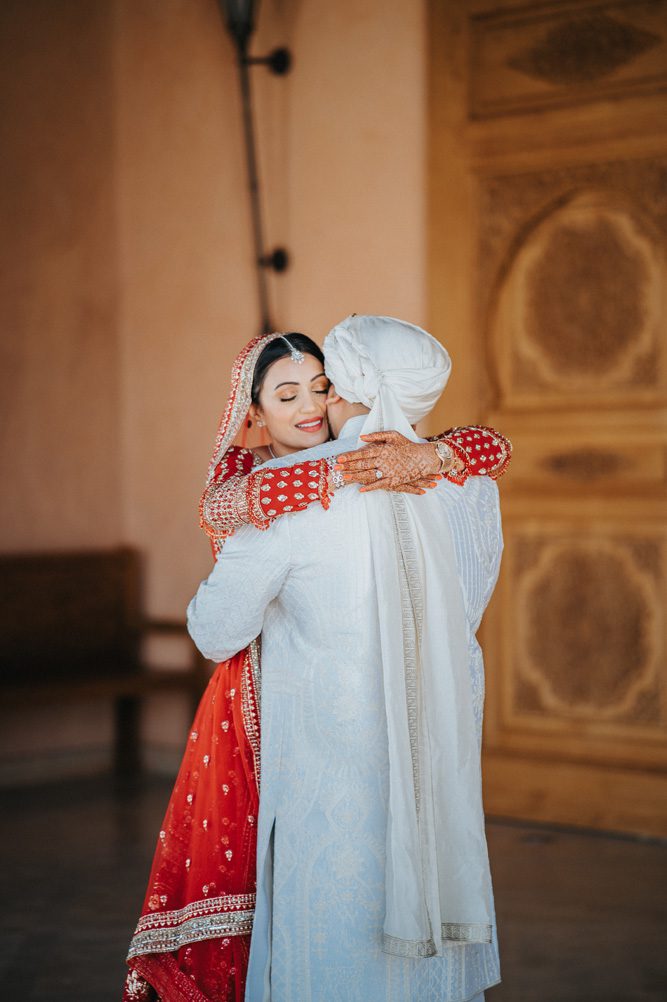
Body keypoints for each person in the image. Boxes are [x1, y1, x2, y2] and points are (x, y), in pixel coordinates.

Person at [123, 328, 511, 1002]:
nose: (310, 402)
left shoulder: (283, 494)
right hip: (433, 748)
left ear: (347, 384)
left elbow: (215, 632)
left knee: (327, 921)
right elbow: (466, 597)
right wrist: (440, 455)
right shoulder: (464, 482)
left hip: (323, 759)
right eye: (288, 392)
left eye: (322, 383)